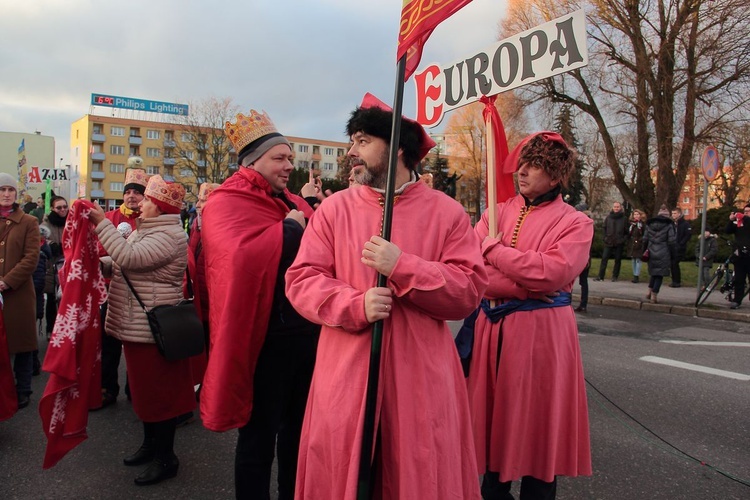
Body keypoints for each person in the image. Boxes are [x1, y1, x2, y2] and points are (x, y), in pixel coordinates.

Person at [285, 93, 489, 499]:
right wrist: (354, 304)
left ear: (396, 147)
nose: (351, 153)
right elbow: (302, 280)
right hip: (346, 373)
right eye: (352, 142)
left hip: (421, 380)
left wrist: (404, 267)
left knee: (416, 475)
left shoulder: (447, 213)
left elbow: (467, 292)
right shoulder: (333, 210)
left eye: (362, 141)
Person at [200, 109, 319, 500]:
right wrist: (288, 230)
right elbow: (237, 259)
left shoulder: (292, 202)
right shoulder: (225, 200)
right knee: (258, 436)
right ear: (253, 161)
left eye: (290, 159)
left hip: (306, 334)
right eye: (280, 158)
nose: (289, 166)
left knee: (298, 433)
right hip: (263, 339)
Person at [466, 132, 593, 499]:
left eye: (534, 165)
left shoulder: (576, 223)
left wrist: (495, 250)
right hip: (494, 332)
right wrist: (524, 282)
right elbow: (474, 272)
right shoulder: (497, 212)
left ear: (555, 176)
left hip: (543, 338)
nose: (522, 171)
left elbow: (552, 272)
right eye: (522, 162)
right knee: (494, 431)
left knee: (538, 432)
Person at [86, 175, 193, 486]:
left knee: (159, 397)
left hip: (152, 328)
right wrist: (105, 264)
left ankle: (166, 458)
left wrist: (100, 224)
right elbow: (126, 264)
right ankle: (151, 446)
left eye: (147, 199)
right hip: (139, 326)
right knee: (146, 395)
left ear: (158, 208)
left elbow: (131, 258)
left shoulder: (168, 235)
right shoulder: (149, 230)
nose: (140, 203)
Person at [95, 159, 148, 410]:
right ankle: (107, 388)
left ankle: (135, 389)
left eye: (137, 192)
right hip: (110, 291)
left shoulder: (149, 219)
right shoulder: (108, 218)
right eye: (128, 192)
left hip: (139, 293)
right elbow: (99, 250)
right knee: (109, 344)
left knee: (136, 347)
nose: (131, 197)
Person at [0, 173, 41, 409]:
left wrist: (7, 281)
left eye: (10, 190)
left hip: (18, 294)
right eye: (2, 189)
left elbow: (31, 258)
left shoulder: (28, 222)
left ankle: (23, 389)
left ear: (16, 194)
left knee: (22, 344)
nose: (6, 194)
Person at [185, 181, 219, 395]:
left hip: (212, 299)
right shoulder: (197, 223)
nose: (198, 203)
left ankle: (211, 387)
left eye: (202, 199)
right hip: (199, 296)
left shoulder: (218, 226)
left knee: (212, 344)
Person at [41, 196, 68, 338]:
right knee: (52, 298)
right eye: (59, 207)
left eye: (65, 206)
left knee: (67, 299)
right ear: (52, 208)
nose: (63, 210)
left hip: (68, 263)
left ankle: (65, 328)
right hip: (51, 265)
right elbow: (43, 238)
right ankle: (50, 329)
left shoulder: (71, 220)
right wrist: (51, 245)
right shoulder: (47, 222)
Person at [643, 205, 676, 304]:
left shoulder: (649, 225)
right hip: (664, 252)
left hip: (652, 251)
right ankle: (654, 294)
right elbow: (671, 241)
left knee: (654, 273)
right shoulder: (669, 225)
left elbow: (645, 239)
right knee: (659, 275)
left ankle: (649, 291)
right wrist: (673, 253)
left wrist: (644, 250)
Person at [594, 201, 628, 282]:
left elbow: (627, 232)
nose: (616, 208)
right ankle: (600, 276)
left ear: (620, 208)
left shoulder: (624, 219)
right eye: (615, 207)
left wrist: (623, 240)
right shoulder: (609, 217)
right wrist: (605, 238)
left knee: (617, 259)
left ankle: (615, 276)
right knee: (604, 258)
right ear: (612, 208)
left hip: (619, 242)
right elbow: (604, 228)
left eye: (617, 207)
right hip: (608, 241)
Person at [726, 204, 750, 309]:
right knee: (739, 279)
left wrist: (744, 217)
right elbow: (727, 230)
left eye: (748, 211)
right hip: (739, 255)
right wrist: (731, 220)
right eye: (745, 211)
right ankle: (737, 300)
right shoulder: (739, 223)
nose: (746, 212)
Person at [575, 203, 593, 312]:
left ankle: (582, 303)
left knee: (582, 281)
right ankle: (582, 304)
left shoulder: (585, 223)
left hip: (582, 255)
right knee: (582, 281)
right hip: (581, 255)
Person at [669, 207, 692, 287]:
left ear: (679, 214)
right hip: (672, 246)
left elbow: (688, 235)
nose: (673, 215)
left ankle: (677, 281)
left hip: (679, 247)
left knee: (675, 263)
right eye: (672, 213)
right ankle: (674, 280)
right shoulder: (671, 223)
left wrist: (681, 244)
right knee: (672, 264)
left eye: (675, 213)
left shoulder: (684, 224)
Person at [628, 209, 646, 283]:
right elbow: (629, 234)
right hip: (632, 243)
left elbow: (645, 234)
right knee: (633, 260)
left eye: (638, 214)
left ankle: (636, 275)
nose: (636, 216)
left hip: (639, 244)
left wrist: (640, 240)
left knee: (638, 260)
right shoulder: (632, 225)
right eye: (635, 214)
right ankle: (634, 274)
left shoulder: (642, 224)